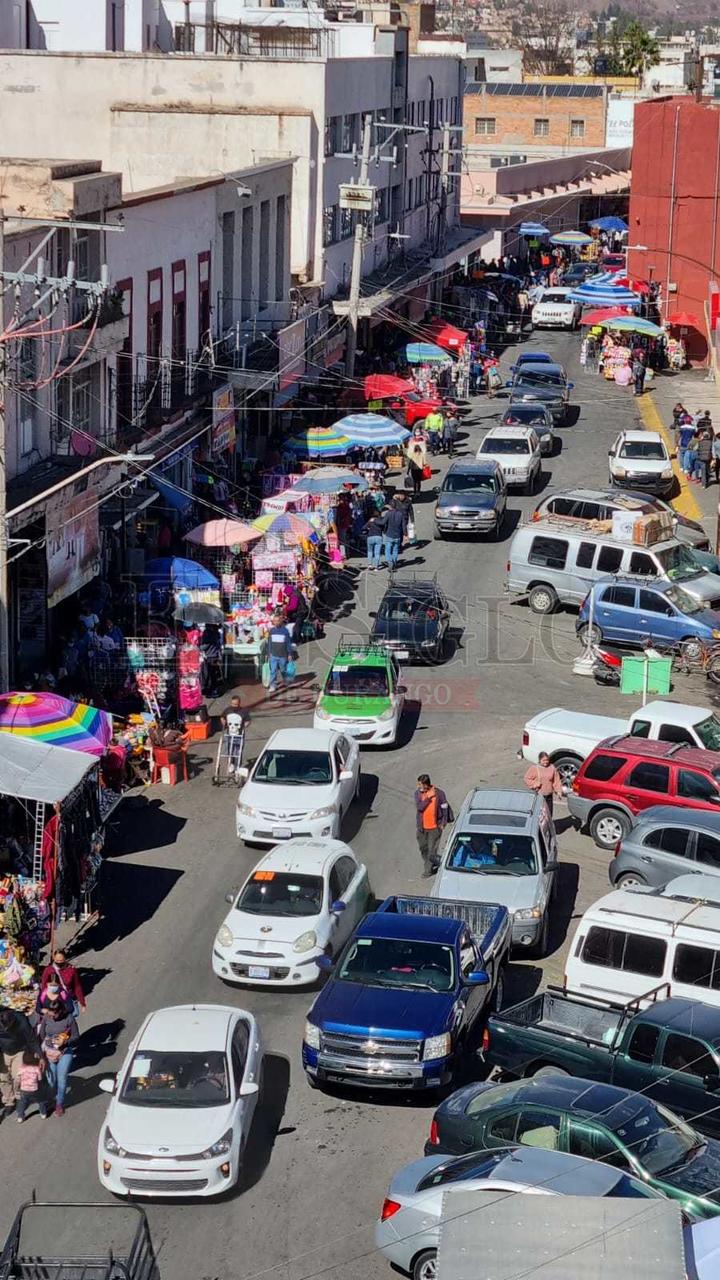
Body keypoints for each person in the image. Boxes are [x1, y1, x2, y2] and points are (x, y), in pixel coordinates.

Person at [35, 1000, 79, 1117]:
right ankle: (49, 1100)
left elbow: (76, 1036)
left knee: (62, 1079)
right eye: (50, 1012)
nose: (51, 1015)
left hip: (64, 1052)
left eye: (54, 1014)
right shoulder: (46, 1017)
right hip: (50, 1052)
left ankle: (59, 1104)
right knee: (50, 1080)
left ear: (60, 1011)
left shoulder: (69, 1018)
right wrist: (42, 1050)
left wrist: (65, 1041)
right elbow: (41, 1035)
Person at [0, 1007, 39, 1117]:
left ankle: (18, 1097)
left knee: (17, 1077)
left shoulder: (20, 1018)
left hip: (19, 1050)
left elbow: (31, 1038)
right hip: (3, 1052)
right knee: (3, 1078)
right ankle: (9, 1102)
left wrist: (39, 1054)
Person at [415, 775, 452, 877]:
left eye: (420, 784)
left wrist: (443, 823)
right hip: (422, 828)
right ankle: (432, 863)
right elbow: (420, 807)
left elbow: (445, 807)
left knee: (432, 851)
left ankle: (428, 870)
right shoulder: (418, 794)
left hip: (435, 828)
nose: (418, 786)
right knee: (423, 848)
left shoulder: (439, 793)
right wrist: (428, 798)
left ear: (426, 784)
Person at [39, 950, 86, 1019]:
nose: (59, 962)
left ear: (65, 959)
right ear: (54, 958)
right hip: (56, 1002)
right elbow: (44, 987)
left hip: (69, 999)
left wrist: (82, 1002)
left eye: (61, 960)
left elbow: (77, 986)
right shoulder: (49, 970)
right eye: (57, 960)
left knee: (73, 1018)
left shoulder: (72, 970)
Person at [15, 1048, 51, 1122]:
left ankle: (20, 1117)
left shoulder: (21, 1068)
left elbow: (17, 1079)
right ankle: (43, 1113)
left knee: (22, 1102)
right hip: (34, 1089)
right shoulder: (37, 1069)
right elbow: (40, 1079)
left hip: (24, 1090)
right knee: (41, 1100)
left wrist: (17, 1087)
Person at [524, 751, 563, 817]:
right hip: (539, 795)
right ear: (540, 760)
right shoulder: (534, 768)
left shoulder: (552, 768)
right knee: (540, 815)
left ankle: (548, 827)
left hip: (549, 795)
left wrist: (559, 791)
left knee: (549, 815)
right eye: (544, 760)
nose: (546, 762)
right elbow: (526, 778)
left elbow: (556, 780)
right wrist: (534, 784)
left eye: (547, 760)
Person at [265, 612, 295, 692]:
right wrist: (268, 653)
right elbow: (270, 643)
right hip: (273, 655)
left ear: (281, 621)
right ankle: (273, 685)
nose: (276, 622)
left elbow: (288, 643)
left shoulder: (285, 631)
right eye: (274, 621)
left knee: (283, 670)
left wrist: (289, 654)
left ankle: (286, 681)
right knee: (273, 671)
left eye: (278, 621)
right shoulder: (272, 631)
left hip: (283, 655)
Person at [381, 501, 405, 572]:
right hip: (397, 535)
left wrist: (376, 521)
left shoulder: (388, 514)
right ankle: (394, 563)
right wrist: (405, 534)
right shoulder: (400, 514)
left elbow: (383, 522)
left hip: (389, 534)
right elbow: (403, 525)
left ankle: (390, 562)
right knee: (395, 550)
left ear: (390, 506)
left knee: (388, 549)